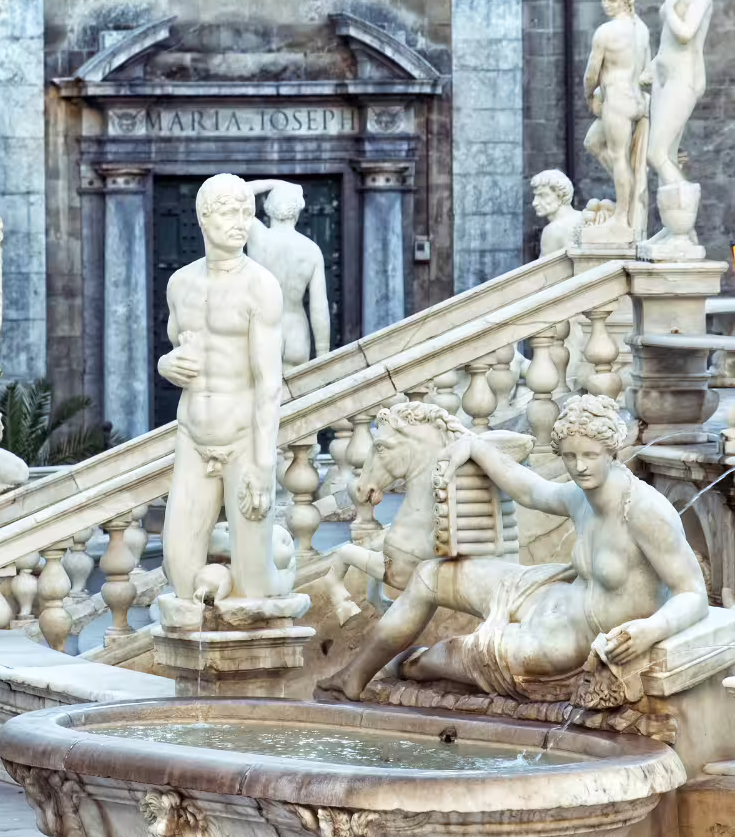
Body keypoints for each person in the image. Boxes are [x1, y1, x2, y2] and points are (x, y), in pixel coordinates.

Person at [318, 394, 707, 701]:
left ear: (612, 452)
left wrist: (651, 629)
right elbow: (531, 490)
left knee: (450, 654)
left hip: (561, 645)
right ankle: (354, 677)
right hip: (544, 593)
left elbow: (693, 593)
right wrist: (474, 447)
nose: (580, 467)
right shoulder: (580, 496)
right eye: (570, 457)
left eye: (590, 456)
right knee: (430, 575)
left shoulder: (645, 511)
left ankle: (406, 669)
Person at [158, 173, 284, 602]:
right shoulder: (179, 284)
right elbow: (177, 352)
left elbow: (270, 384)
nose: (242, 222)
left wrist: (264, 466)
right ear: (203, 217)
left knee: (255, 586)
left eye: (248, 213)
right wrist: (165, 364)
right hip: (192, 436)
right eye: (231, 212)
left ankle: (262, 581)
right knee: (178, 569)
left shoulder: (261, 286)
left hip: (243, 439)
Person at [583, 0, 651, 232]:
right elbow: (646, 69)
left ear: (624, 0)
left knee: (619, 158)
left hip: (618, 102)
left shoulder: (605, 32)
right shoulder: (641, 29)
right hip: (637, 101)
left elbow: (591, 74)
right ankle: (631, 192)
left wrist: (589, 96)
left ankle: (622, 218)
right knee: (592, 143)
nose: (606, 5)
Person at [644, 0, 712, 187]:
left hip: (683, 77)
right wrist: (652, 67)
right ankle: (672, 226)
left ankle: (684, 208)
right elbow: (668, 43)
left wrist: (668, 11)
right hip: (664, 77)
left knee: (656, 154)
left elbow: (685, 34)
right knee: (668, 156)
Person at [244, 179, 331, 372]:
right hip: (296, 332)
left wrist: (274, 183)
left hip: (263, 327)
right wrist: (323, 354)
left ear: (268, 208)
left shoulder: (257, 236)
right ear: (298, 210)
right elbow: (319, 308)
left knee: (259, 398)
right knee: (297, 400)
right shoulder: (312, 250)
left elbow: (235, 192)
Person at [530, 169, 582, 256]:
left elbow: (544, 269)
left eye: (542, 195)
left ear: (559, 195)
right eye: (535, 196)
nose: (534, 203)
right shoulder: (583, 217)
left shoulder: (553, 230)